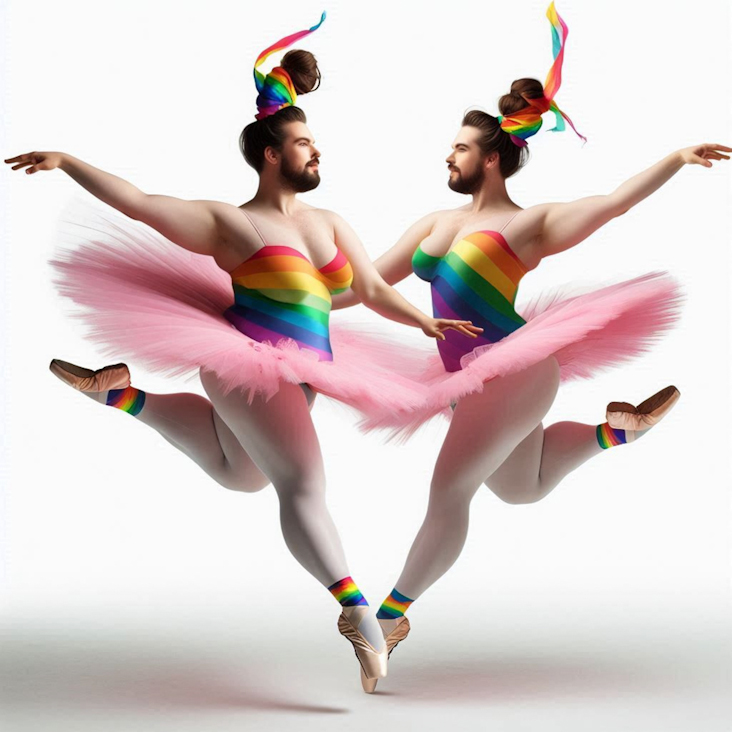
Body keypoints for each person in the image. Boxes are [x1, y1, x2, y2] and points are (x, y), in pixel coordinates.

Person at [4, 13, 478, 692]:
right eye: (304, 144)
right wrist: (70, 162)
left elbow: (370, 286)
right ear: (269, 155)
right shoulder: (231, 224)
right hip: (247, 363)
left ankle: (123, 395)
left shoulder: (328, 222)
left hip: (309, 369)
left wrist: (422, 325)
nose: (316, 154)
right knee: (302, 483)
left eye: (315, 142)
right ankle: (356, 612)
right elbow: (140, 203)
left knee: (241, 473)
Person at [330, 1, 730, 690]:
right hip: (464, 381)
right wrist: (284, 303)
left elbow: (610, 203)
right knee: (520, 487)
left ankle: (391, 615)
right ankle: (613, 432)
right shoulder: (433, 222)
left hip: (513, 369)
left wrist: (672, 159)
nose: (447, 155)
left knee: (449, 489)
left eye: (458, 147)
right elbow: (364, 285)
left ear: (490, 158)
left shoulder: (529, 226)